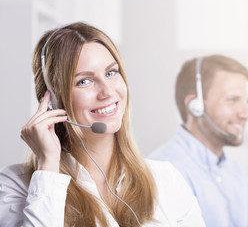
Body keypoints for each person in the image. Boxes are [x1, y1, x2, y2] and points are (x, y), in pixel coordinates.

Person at [0, 22, 205, 227]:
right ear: (52, 99)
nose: (107, 92)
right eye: (84, 81)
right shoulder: (16, 186)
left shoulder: (166, 179)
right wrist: (48, 166)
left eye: (111, 73)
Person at [149, 55, 248, 227]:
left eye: (247, 102)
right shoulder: (163, 172)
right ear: (195, 106)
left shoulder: (234, 172)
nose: (246, 114)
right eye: (232, 100)